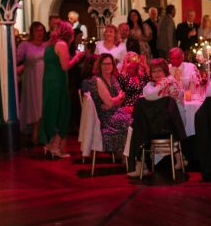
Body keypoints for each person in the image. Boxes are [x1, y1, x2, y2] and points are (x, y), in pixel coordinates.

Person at [39, 21, 84, 159]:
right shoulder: (62, 44)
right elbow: (65, 66)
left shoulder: (49, 45)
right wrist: (77, 57)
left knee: (51, 110)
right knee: (61, 112)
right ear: (68, 33)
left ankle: (49, 144)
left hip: (48, 82)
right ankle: (55, 147)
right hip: (58, 83)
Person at [91, 53, 131, 156]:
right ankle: (128, 156)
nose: (107, 66)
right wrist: (114, 101)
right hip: (105, 118)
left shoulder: (112, 78)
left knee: (137, 119)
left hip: (115, 111)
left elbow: (122, 97)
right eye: (104, 64)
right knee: (130, 122)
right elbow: (112, 101)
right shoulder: (97, 80)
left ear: (113, 65)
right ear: (99, 65)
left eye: (109, 64)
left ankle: (132, 156)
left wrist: (112, 102)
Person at [16, 21, 47, 144]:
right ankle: (34, 133)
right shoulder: (25, 45)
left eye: (41, 30)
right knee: (34, 104)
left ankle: (42, 133)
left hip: (44, 77)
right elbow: (16, 59)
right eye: (37, 31)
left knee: (43, 104)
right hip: (32, 78)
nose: (40, 33)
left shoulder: (46, 45)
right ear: (32, 32)